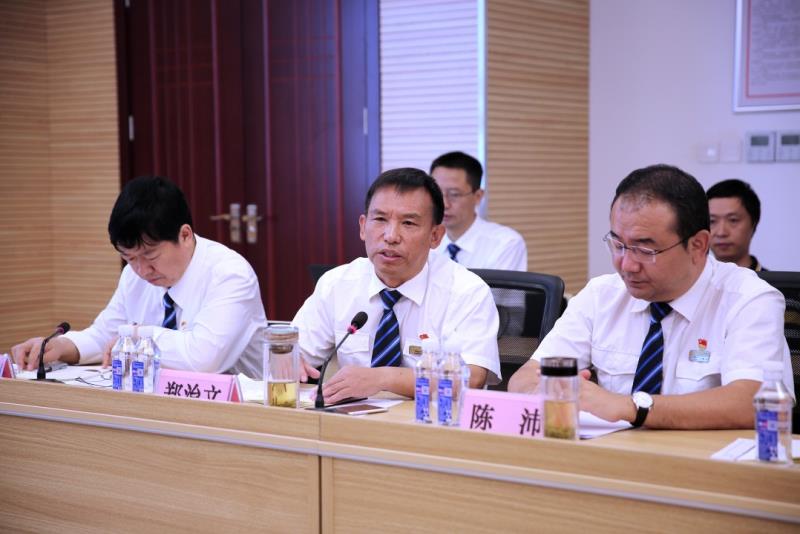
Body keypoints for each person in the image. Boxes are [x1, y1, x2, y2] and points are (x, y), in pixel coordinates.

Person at [508, 164, 792, 430]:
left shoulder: (749, 299)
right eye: (618, 245)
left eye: (645, 250)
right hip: (612, 455)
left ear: (698, 245)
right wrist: (552, 392)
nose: (627, 265)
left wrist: (631, 407)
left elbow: (753, 402)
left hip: (703, 460)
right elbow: (525, 378)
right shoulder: (601, 295)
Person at [11, 176, 268, 378]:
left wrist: (137, 336)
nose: (142, 270)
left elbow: (203, 358)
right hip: (159, 405)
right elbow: (105, 335)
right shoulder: (133, 276)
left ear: (185, 235)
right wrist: (61, 347)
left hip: (239, 412)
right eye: (129, 258)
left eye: (150, 255)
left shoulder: (229, 274)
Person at [293, 168, 501, 404]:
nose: (391, 236)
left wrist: (382, 379)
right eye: (380, 219)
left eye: (408, 223)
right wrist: (289, 360)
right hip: (353, 421)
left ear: (435, 236)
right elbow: (294, 352)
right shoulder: (337, 284)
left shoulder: (467, 291)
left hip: (431, 421)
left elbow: (471, 377)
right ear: (363, 226)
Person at [430, 151, 527, 270]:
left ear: (478, 196)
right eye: (437, 194)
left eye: (454, 194)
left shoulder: (506, 243)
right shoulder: (424, 241)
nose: (444, 204)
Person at [707, 178, 766, 271]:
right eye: (712, 221)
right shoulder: (692, 280)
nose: (721, 233)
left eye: (733, 220)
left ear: (754, 223)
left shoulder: (771, 280)